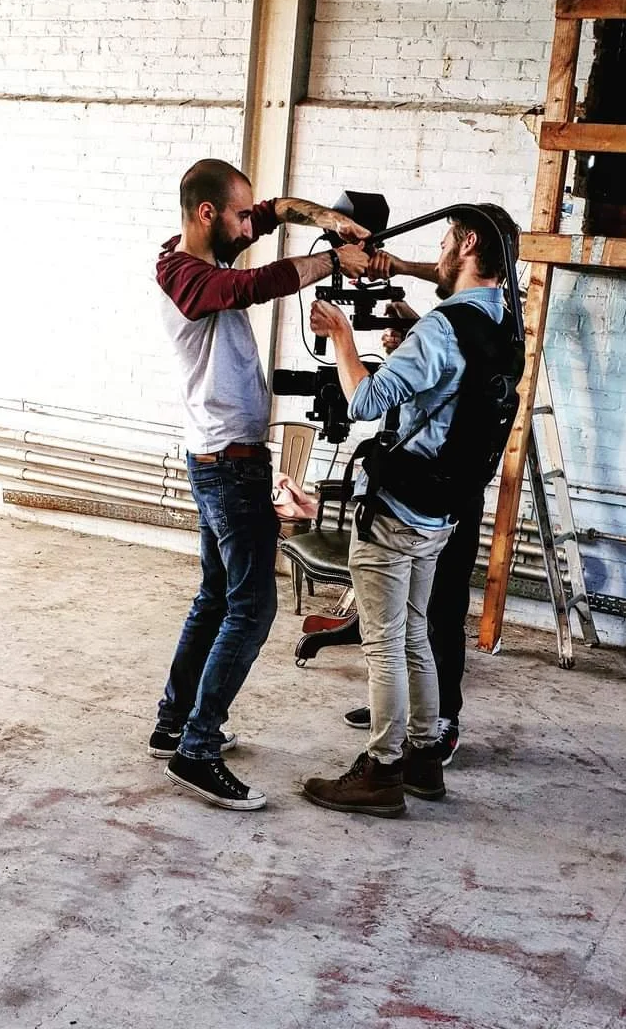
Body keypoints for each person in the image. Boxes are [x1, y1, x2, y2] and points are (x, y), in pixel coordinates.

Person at [149, 158, 370, 811]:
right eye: (239, 215)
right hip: (227, 465)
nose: (252, 225)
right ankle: (197, 748)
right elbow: (255, 286)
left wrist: (330, 222)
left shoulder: (203, 252)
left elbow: (275, 210)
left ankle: (172, 723)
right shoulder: (184, 275)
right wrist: (334, 265)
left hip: (220, 459)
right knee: (252, 606)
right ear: (207, 214)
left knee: (217, 595)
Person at [302, 205, 520, 818]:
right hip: (443, 512)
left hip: (397, 510)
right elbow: (455, 376)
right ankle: (425, 757)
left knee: (385, 645)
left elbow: (367, 401)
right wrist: (418, 330)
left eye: (449, 238)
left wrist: (343, 336)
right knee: (417, 638)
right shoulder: (504, 322)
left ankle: (382, 769)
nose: (443, 250)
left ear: (468, 242)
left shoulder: (443, 329)